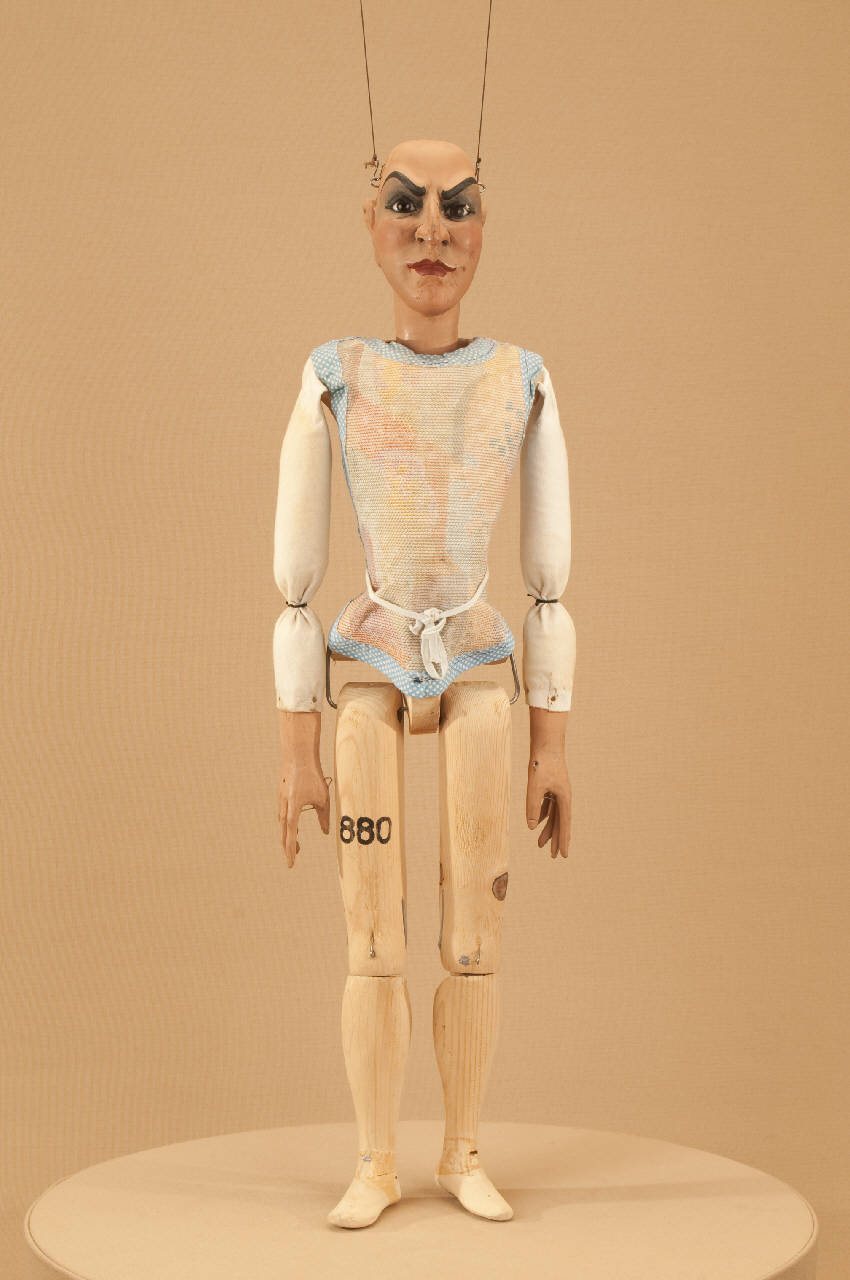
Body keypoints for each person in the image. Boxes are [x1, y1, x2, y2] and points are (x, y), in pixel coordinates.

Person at [273, 138, 575, 1227]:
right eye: (405, 204)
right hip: (370, 656)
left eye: (458, 206)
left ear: (485, 226)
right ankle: (374, 1158)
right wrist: (297, 751)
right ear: (371, 223)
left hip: (482, 659)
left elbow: (548, 581)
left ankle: (461, 1146)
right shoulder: (337, 372)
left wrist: (551, 743)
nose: (432, 231)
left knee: (475, 929)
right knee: (371, 935)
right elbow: (295, 583)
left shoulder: (519, 376)